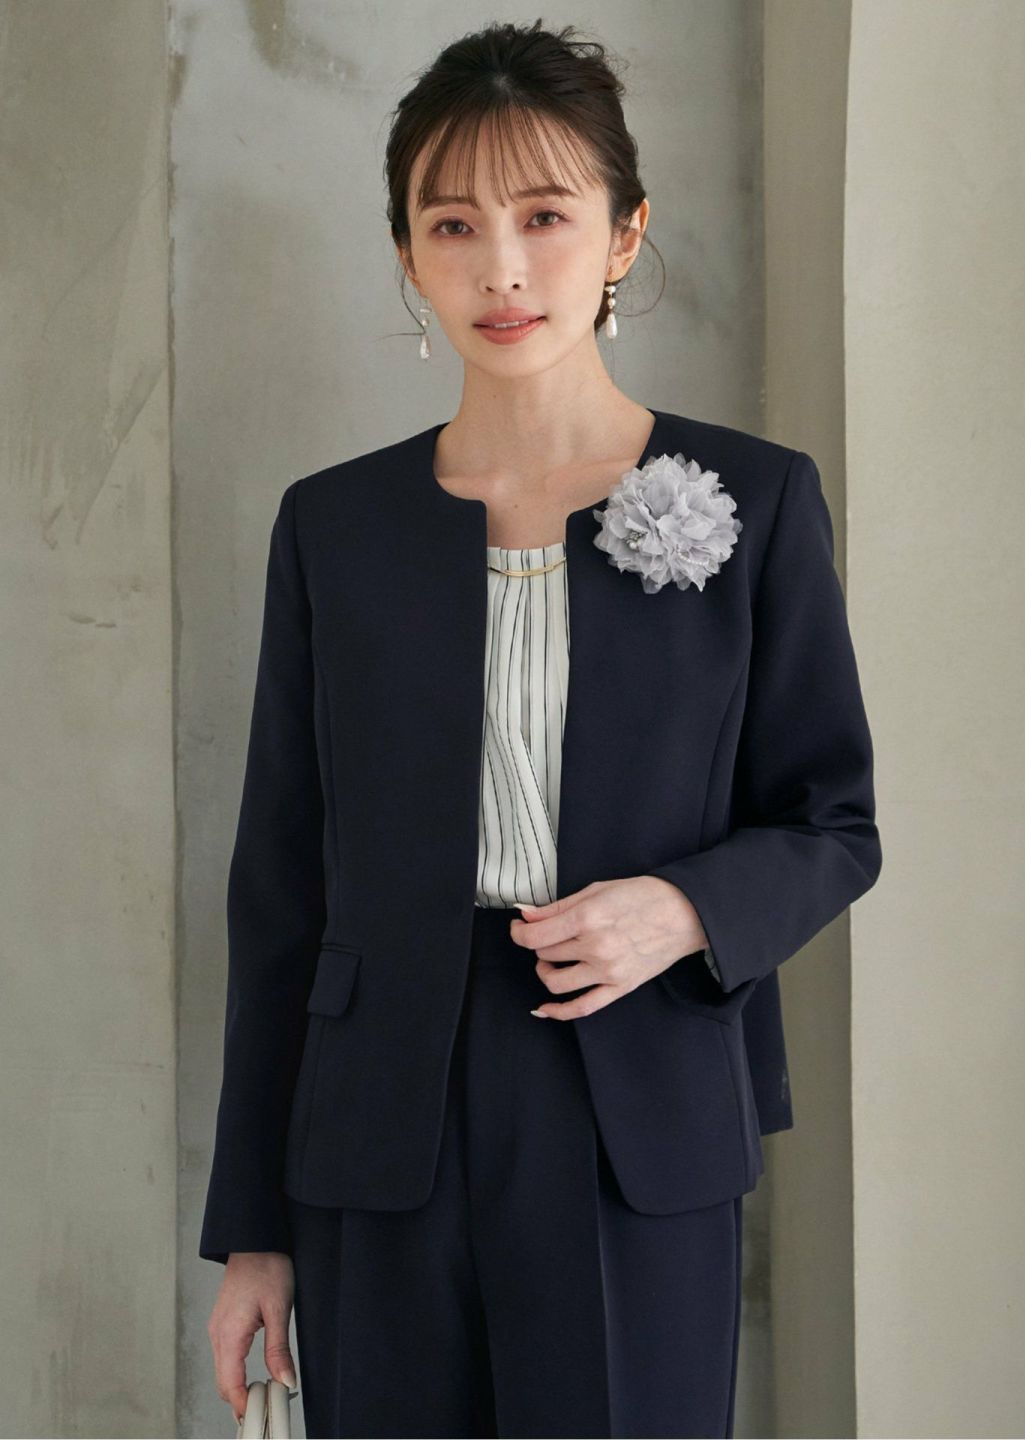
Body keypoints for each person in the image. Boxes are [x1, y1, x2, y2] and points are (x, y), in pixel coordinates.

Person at [200, 18, 881, 1439]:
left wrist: (682, 911)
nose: (501, 268)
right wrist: (252, 1231)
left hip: (634, 1096)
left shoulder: (753, 501)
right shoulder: (335, 527)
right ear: (407, 254)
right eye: (452, 225)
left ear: (625, 233)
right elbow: (281, 889)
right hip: (378, 1122)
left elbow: (832, 823)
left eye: (546, 216)